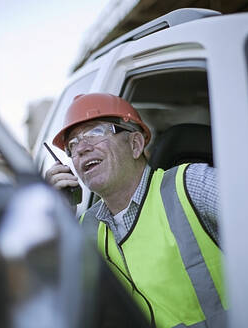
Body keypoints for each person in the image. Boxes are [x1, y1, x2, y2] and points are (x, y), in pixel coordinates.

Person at [45, 93, 226, 327]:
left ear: (135, 144)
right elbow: (57, 307)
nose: (81, 149)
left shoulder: (191, 184)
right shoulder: (84, 229)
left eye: (95, 133)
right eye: (73, 144)